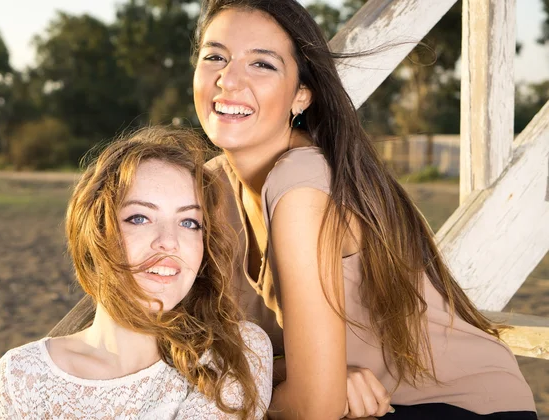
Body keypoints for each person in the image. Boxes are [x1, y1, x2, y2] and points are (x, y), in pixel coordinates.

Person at [192, 0, 537, 419]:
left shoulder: (301, 183)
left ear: (301, 96)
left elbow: (314, 408)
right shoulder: (209, 187)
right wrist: (306, 375)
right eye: (215, 57)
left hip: (454, 407)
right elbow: (190, 346)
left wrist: (310, 387)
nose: (228, 79)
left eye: (262, 64)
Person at [0, 126, 272, 419]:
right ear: (96, 232)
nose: (169, 241)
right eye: (140, 218)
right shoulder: (23, 375)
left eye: (189, 222)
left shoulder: (236, 354)